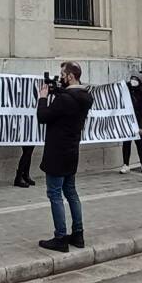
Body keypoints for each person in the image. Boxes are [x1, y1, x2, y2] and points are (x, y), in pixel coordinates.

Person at [37, 61, 93, 253]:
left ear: (70, 76)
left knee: (55, 194)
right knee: (71, 192)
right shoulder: (85, 97)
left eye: (62, 74)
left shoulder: (65, 100)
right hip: (71, 151)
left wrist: (43, 98)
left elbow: (43, 116)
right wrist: (58, 91)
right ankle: (78, 234)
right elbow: (69, 99)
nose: (60, 77)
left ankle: (60, 237)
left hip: (56, 153)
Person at [120, 72, 142, 174]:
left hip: (137, 123)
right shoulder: (125, 90)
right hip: (127, 122)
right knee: (126, 144)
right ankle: (125, 164)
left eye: (136, 79)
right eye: (132, 78)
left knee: (140, 144)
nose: (133, 80)